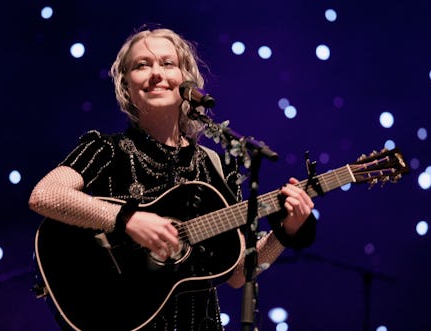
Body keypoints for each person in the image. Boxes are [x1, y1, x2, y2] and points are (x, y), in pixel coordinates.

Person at [29, 27, 317, 331]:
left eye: (168, 64)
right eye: (142, 65)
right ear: (126, 85)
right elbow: (45, 195)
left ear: (186, 80)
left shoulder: (215, 164)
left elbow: (237, 274)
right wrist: (128, 219)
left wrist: (285, 232)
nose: (156, 73)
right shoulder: (106, 150)